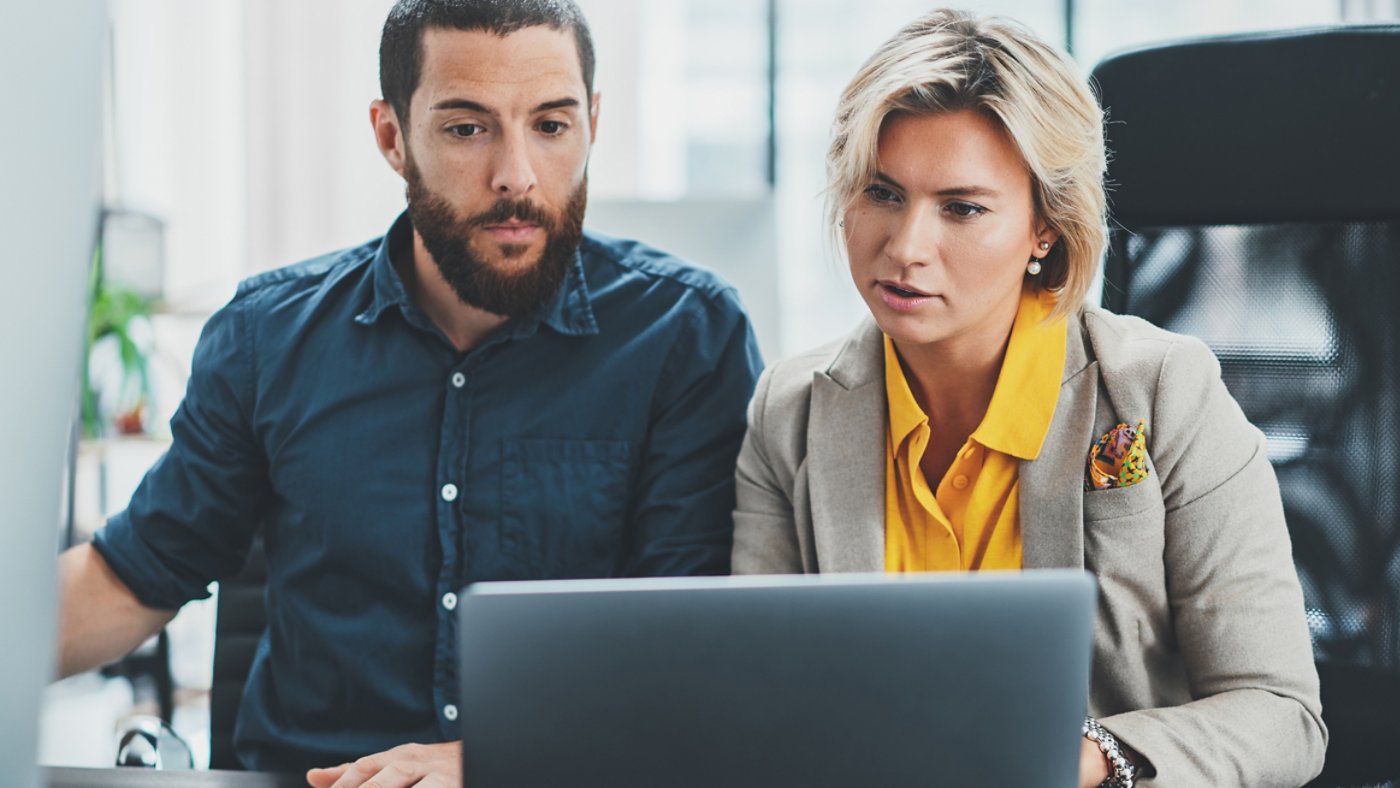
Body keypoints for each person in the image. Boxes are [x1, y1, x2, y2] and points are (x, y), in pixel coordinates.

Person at [55, 0, 762, 784]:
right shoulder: (268, 338)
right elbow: (131, 577)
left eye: (552, 126)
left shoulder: (686, 338)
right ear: (393, 137)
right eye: (468, 129)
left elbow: (688, 653)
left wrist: (494, 763)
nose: (517, 175)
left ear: (592, 121)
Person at [731, 9, 1325, 787]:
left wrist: (1091, 758)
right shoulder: (792, 411)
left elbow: (1282, 715)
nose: (906, 246)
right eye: (881, 192)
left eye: (962, 208)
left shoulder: (1165, 392)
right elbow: (757, 704)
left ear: (1045, 227)